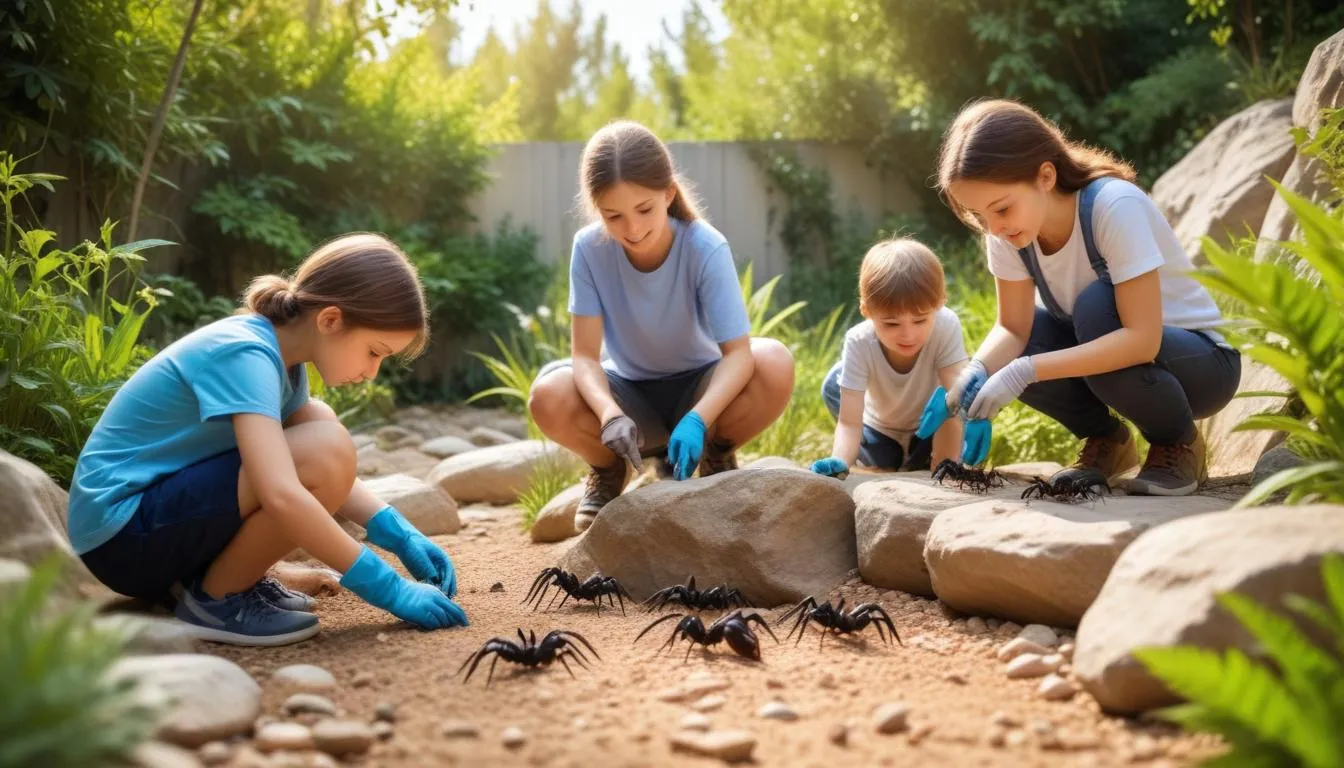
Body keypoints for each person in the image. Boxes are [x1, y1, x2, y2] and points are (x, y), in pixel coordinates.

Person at [69, 233, 469, 646]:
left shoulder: (284, 362)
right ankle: (215, 600)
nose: (372, 372)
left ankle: (220, 579)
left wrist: (399, 532)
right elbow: (283, 490)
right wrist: (388, 587)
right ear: (330, 320)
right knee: (324, 445)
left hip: (150, 525)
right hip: (123, 535)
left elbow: (319, 472)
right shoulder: (246, 353)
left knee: (317, 421)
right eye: (374, 351)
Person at [936, 99, 1241, 496]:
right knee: (1025, 340)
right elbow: (1012, 328)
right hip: (1111, 348)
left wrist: (1024, 370)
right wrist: (976, 372)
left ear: (1045, 175)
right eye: (978, 216)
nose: (992, 228)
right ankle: (1108, 442)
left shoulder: (1113, 206)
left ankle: (1178, 444)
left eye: (1001, 208)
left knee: (1097, 305)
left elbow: (1142, 339)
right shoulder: (1009, 231)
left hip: (1200, 366)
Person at [527, 120, 795, 532]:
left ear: (668, 193)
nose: (632, 229)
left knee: (774, 360)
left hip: (703, 391)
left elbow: (739, 355)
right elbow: (583, 356)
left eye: (644, 209)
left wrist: (699, 419)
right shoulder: (589, 248)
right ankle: (610, 469)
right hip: (631, 395)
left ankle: (715, 454)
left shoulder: (705, 246)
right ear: (596, 208)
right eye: (613, 215)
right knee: (548, 394)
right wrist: (609, 415)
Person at [810, 238, 969, 478]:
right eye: (891, 323)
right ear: (867, 311)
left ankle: (921, 459)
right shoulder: (859, 340)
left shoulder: (946, 324)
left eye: (920, 320)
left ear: (939, 304)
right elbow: (850, 422)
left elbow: (954, 401)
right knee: (884, 467)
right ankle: (892, 457)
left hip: (930, 425)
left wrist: (945, 466)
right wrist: (840, 461)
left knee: (938, 462)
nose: (908, 334)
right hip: (878, 428)